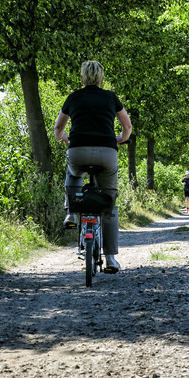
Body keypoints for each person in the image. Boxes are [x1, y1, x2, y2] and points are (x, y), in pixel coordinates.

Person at [53, 60, 132, 273]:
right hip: (107, 152)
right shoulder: (111, 97)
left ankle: (71, 211)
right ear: (101, 79)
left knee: (74, 172)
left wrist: (62, 138)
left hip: (77, 149)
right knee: (109, 205)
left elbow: (59, 126)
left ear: (82, 78)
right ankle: (111, 259)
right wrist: (121, 139)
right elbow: (127, 126)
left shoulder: (74, 97)